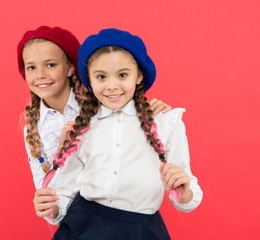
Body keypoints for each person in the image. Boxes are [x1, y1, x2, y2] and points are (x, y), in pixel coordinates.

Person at [40, 28, 203, 240]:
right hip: (82, 228)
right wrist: (51, 208)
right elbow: (65, 193)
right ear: (89, 79)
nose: (112, 86)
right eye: (101, 77)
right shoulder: (80, 127)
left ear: (139, 76)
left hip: (140, 231)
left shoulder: (166, 122)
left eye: (123, 75)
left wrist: (184, 189)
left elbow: (187, 198)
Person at [17, 26, 172, 223]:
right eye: (31, 67)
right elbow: (48, 195)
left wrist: (147, 109)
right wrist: (49, 205)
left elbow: (125, 115)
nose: (40, 74)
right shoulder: (32, 130)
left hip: (114, 216)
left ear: (71, 68)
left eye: (50, 65)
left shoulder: (100, 103)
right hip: (75, 224)